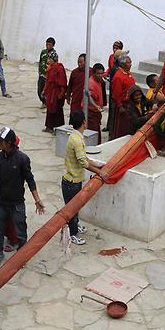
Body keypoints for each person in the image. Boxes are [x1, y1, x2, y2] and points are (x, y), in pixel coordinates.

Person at [0, 127, 45, 267]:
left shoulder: (22, 159)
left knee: (21, 231)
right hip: (1, 202)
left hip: (17, 203)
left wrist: (37, 200)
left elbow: (30, 180)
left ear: (9, 143)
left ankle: (22, 257)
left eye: (0, 141)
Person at [62, 110, 105, 246]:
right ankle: (73, 234)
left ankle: (76, 225)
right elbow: (83, 162)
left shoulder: (76, 137)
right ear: (83, 122)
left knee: (76, 206)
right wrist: (100, 172)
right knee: (72, 208)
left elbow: (84, 158)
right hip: (71, 181)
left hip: (74, 180)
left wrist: (97, 164)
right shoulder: (77, 140)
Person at [109, 55, 136, 139]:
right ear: (123, 64)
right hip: (123, 105)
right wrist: (120, 106)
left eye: (131, 62)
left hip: (130, 104)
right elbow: (116, 94)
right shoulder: (118, 77)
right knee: (121, 127)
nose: (130, 64)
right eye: (128, 63)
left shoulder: (128, 73)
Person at [42, 52, 68, 133]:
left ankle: (58, 129)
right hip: (51, 93)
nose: (48, 60)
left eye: (50, 59)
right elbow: (48, 81)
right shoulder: (50, 68)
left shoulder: (59, 68)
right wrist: (44, 90)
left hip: (57, 93)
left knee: (58, 111)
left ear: (54, 60)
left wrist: (61, 94)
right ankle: (49, 127)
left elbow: (63, 83)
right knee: (49, 110)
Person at [87, 63, 105, 139]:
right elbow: (89, 96)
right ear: (94, 73)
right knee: (93, 135)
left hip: (96, 113)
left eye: (102, 73)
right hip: (91, 113)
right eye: (98, 74)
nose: (100, 75)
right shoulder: (91, 83)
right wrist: (96, 106)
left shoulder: (99, 81)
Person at [37, 37, 56, 107]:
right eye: (47, 44)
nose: (48, 46)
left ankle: (47, 103)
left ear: (53, 45)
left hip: (49, 76)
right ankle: (44, 102)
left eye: (49, 45)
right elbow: (40, 61)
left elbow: (55, 65)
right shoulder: (43, 52)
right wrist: (39, 70)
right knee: (39, 90)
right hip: (42, 74)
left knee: (47, 91)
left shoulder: (54, 54)